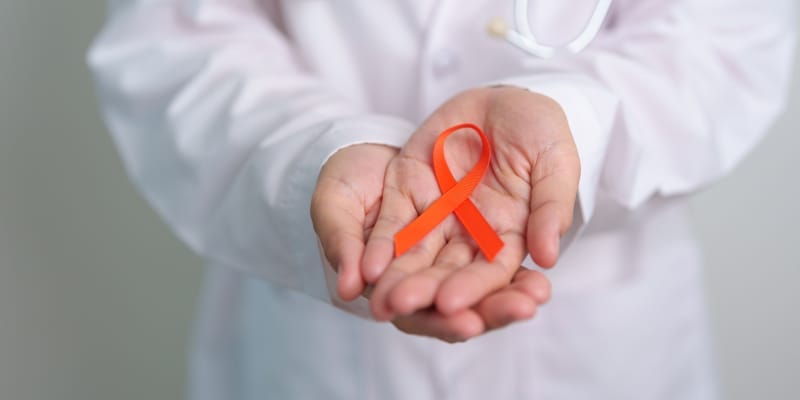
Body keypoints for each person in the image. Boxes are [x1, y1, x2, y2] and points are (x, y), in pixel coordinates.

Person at [88, 1, 796, 399]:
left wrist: (577, 121)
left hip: (603, 353)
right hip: (314, 351)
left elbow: (726, 37)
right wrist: (319, 151)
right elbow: (174, 36)